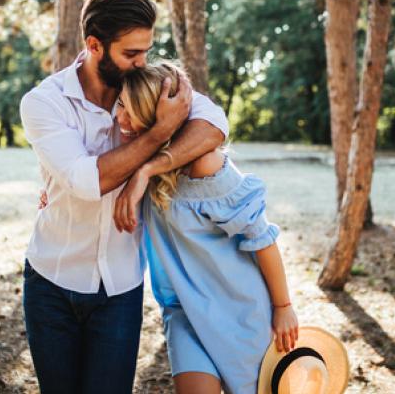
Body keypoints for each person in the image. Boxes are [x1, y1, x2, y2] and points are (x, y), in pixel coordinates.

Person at [18, 0, 230, 394]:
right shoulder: (44, 102)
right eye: (131, 53)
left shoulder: (148, 84)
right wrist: (159, 134)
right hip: (52, 283)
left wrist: (146, 170)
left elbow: (214, 125)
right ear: (94, 45)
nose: (141, 63)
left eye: (146, 51)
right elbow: (87, 181)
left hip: (121, 288)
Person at [113, 61, 299, 394]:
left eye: (128, 110)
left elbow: (261, 239)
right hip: (183, 313)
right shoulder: (137, 155)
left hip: (238, 311)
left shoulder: (204, 164)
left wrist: (283, 307)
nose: (119, 118)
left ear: (154, 119)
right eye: (119, 104)